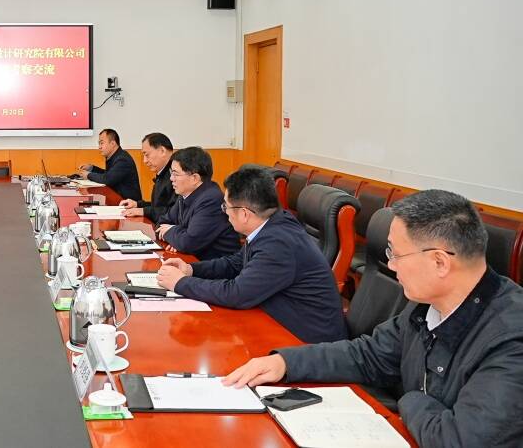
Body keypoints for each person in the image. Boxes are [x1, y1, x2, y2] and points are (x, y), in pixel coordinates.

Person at [223, 189, 523, 447]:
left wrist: (410, 399)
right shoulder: (426, 306)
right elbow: (368, 355)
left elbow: (459, 441)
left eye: (396, 255)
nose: (390, 266)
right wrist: (285, 363)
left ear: (439, 262)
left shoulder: (511, 339)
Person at [157, 165, 346, 344]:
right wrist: (191, 269)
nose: (225, 213)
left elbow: (238, 294)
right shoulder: (270, 223)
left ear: (244, 214)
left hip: (307, 340)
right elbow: (235, 263)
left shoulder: (278, 243)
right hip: (279, 321)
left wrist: (181, 283)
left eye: (226, 207)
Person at [153, 146, 239, 260]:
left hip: (216, 265)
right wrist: (177, 240)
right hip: (193, 260)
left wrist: (174, 235)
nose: (171, 178)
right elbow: (161, 223)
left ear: (195, 178)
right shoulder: (185, 194)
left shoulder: (211, 200)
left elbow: (188, 243)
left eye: (175, 174)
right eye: (171, 173)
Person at [118, 132, 177, 223]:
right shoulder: (163, 172)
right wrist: (138, 204)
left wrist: (143, 211)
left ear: (162, 151)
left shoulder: (177, 175)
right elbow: (159, 206)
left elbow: (174, 212)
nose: (145, 161)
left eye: (147, 155)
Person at [77, 128, 141, 202]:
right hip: (118, 199)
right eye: (99, 144)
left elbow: (107, 179)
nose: (99, 147)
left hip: (129, 203)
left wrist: (88, 175)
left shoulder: (123, 159)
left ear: (113, 144)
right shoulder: (115, 156)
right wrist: (92, 168)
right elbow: (109, 174)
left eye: (102, 143)